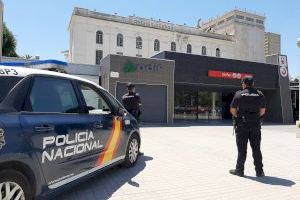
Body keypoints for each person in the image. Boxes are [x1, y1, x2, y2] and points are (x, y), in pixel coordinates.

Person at [229, 76, 266, 177]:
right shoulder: (260, 94)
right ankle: (260, 172)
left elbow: (232, 110)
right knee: (256, 149)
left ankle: (239, 171)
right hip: (255, 125)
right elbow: (262, 111)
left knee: (242, 150)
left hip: (242, 125)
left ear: (244, 84)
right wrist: (254, 117)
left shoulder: (239, 94)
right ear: (253, 84)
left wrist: (239, 117)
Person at [122, 83, 143, 155]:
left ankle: (125, 151)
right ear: (133, 88)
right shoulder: (136, 96)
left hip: (127, 117)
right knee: (136, 134)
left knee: (128, 134)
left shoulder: (124, 97)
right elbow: (139, 104)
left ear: (127, 89)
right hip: (135, 118)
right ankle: (137, 151)